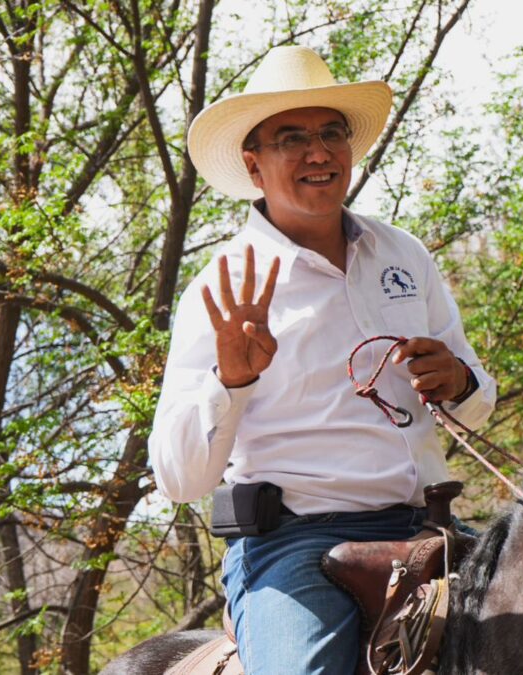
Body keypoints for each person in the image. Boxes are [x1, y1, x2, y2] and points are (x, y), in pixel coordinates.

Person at [147, 45, 496, 674]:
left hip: (429, 524)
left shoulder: (404, 255)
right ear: (254, 166)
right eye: (291, 138)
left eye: (331, 132)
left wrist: (460, 378)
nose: (318, 152)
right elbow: (177, 479)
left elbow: (479, 399)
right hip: (296, 544)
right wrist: (233, 380)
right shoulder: (219, 288)